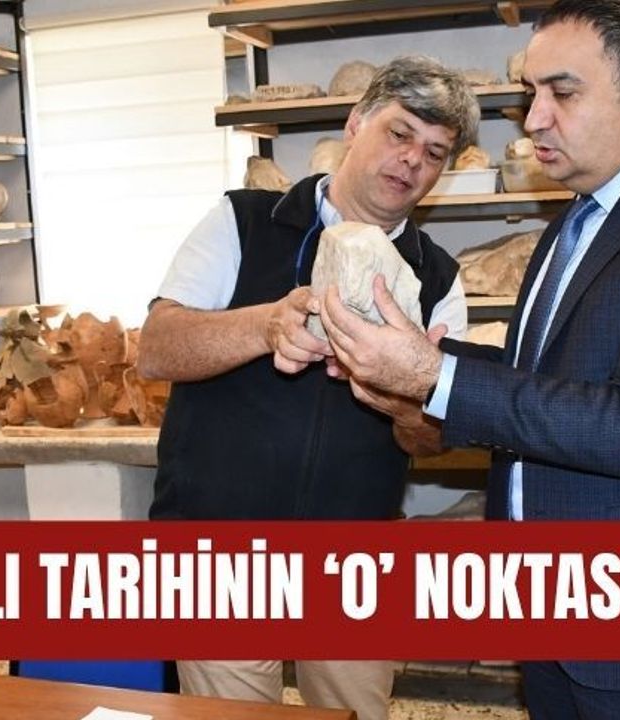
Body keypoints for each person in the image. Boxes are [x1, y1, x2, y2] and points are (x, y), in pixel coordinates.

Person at [317, 2, 620, 718]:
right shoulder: (574, 222)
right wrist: (414, 360)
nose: (533, 120)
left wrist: (434, 376)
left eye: (562, 93)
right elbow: (540, 382)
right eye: (531, 94)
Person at [136, 56, 480, 720]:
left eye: (435, 152)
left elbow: (432, 440)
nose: (413, 160)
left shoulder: (436, 278)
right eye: (399, 133)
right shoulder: (243, 221)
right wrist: (264, 326)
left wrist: (404, 398)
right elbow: (156, 348)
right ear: (356, 123)